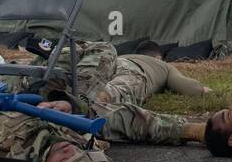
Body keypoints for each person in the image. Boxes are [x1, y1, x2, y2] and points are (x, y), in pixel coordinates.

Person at [33, 39, 208, 146]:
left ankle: (65, 107)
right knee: (114, 92)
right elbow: (188, 88)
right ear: (158, 57)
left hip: (110, 66)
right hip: (134, 73)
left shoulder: (122, 56)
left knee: (88, 86)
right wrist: (203, 89)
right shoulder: (162, 65)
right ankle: (77, 115)